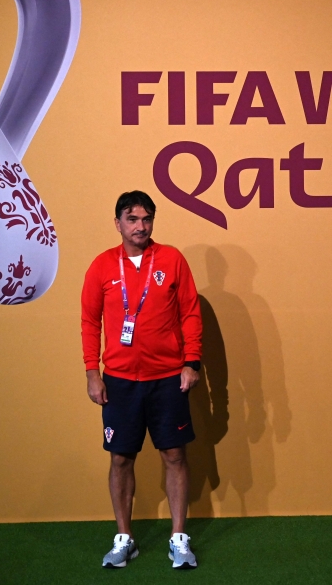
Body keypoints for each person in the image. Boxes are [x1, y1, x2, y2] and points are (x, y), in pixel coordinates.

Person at [80, 190, 203, 569]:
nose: (141, 226)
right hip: (119, 381)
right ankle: (125, 537)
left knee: (174, 455)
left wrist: (191, 363)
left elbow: (190, 313)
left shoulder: (171, 259)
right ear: (117, 223)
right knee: (120, 459)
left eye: (147, 218)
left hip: (167, 378)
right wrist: (92, 373)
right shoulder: (102, 266)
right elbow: (90, 322)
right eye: (132, 219)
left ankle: (178, 538)